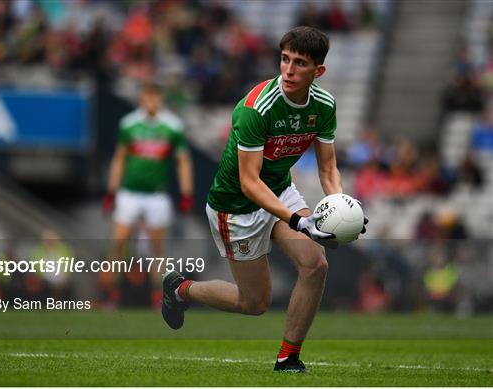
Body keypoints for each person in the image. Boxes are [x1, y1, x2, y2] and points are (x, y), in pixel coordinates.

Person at [161, 26, 367, 373]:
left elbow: (329, 169)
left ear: (318, 72)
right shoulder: (256, 108)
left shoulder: (324, 105)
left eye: (299, 63)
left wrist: (343, 207)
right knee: (253, 302)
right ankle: (180, 289)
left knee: (315, 266)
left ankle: (288, 358)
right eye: (284, 59)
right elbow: (248, 182)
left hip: (279, 190)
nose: (288, 69)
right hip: (236, 206)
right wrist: (297, 220)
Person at [102, 83, 194, 308]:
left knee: (157, 248)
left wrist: (186, 192)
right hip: (129, 193)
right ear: (142, 98)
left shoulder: (172, 126)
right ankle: (111, 295)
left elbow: (182, 161)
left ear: (160, 99)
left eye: (155, 97)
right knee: (118, 243)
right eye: (147, 97)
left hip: (156, 195)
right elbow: (119, 158)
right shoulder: (130, 124)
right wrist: (111, 191)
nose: (151, 101)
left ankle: (157, 297)